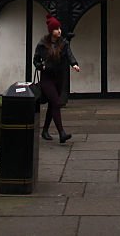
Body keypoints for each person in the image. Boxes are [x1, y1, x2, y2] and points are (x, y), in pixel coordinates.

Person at [33, 15, 80, 143]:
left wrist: (74, 64)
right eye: (56, 28)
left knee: (52, 105)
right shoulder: (43, 44)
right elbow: (35, 59)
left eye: (59, 28)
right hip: (46, 78)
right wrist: (40, 66)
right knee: (56, 102)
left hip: (58, 78)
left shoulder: (63, 43)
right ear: (50, 31)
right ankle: (61, 133)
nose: (59, 30)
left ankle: (45, 131)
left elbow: (69, 54)